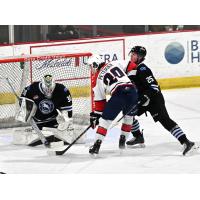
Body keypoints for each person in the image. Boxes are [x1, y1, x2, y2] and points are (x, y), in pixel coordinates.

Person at [126, 46, 196, 155]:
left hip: (154, 99)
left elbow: (153, 87)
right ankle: (138, 136)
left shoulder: (142, 69)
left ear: (139, 57)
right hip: (142, 99)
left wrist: (145, 97)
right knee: (128, 113)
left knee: (165, 120)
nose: (131, 55)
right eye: (131, 53)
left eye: (134, 54)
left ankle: (186, 142)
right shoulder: (131, 68)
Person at [88, 55, 138, 155]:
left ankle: (96, 146)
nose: (90, 69)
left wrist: (97, 116)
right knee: (128, 118)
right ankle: (122, 143)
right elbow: (132, 65)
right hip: (133, 92)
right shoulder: (114, 63)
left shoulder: (97, 80)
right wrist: (132, 80)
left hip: (119, 93)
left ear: (95, 65)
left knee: (105, 121)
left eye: (90, 66)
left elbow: (100, 104)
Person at [14, 74, 74, 146]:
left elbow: (68, 109)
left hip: (53, 121)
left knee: (61, 129)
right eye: (46, 89)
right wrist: (26, 111)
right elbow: (23, 101)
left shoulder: (62, 90)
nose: (48, 92)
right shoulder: (32, 88)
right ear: (42, 85)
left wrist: (65, 119)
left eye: (50, 89)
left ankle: (61, 131)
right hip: (37, 122)